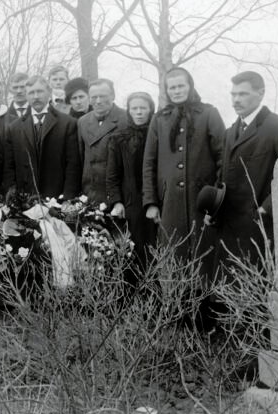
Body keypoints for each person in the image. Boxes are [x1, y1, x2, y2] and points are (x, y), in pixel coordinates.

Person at [215, 70, 278, 269]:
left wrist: (267, 207)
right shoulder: (230, 133)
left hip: (264, 229)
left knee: (260, 293)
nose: (236, 100)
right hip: (230, 229)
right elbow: (223, 174)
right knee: (230, 294)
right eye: (233, 94)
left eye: (243, 94)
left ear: (261, 93)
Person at [142, 67, 225, 260]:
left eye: (181, 86)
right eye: (172, 88)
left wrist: (216, 199)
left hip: (202, 202)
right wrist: (151, 202)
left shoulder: (208, 113)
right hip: (169, 203)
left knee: (204, 258)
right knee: (174, 258)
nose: (177, 91)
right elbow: (149, 163)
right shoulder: (159, 119)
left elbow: (223, 157)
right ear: (166, 90)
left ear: (190, 86)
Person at [3, 76, 81, 199]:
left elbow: (73, 165)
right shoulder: (14, 128)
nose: (36, 96)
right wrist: (13, 196)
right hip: (26, 199)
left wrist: (68, 197)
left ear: (49, 93)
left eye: (39, 91)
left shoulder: (68, 123)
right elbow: (9, 167)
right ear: (27, 96)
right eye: (31, 93)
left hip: (57, 198)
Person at [107, 92, 157, 266]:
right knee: (133, 253)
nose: (139, 112)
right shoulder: (118, 138)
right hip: (131, 203)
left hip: (156, 201)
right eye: (134, 108)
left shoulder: (158, 135)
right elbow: (112, 176)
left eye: (143, 108)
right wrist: (117, 201)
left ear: (151, 110)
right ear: (128, 111)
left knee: (155, 251)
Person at [77, 78, 128, 203]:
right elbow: (81, 157)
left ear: (113, 96)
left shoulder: (126, 119)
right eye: (94, 97)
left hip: (118, 194)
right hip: (90, 192)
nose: (98, 101)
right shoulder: (83, 122)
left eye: (103, 96)